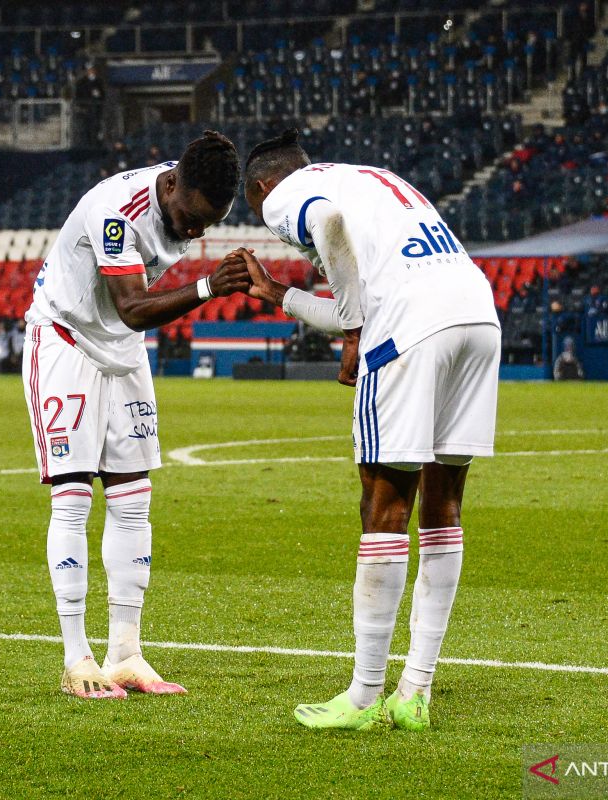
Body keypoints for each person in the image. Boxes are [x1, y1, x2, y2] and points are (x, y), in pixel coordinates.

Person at [237, 129, 500, 732]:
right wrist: (285, 295)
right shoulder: (374, 178)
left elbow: (325, 225)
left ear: (261, 188)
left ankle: (362, 697)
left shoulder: (289, 194)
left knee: (383, 506)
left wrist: (353, 325)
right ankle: (416, 693)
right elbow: (355, 271)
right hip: (476, 315)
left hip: (411, 327)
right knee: (444, 503)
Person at [23, 131, 251, 700]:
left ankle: (125, 652)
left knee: (133, 499)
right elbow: (130, 308)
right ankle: (77, 658)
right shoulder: (117, 212)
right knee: (73, 498)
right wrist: (206, 287)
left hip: (121, 352)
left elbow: (128, 320)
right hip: (66, 339)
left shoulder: (183, 202)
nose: (194, 232)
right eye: (190, 218)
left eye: (207, 224)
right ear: (171, 183)